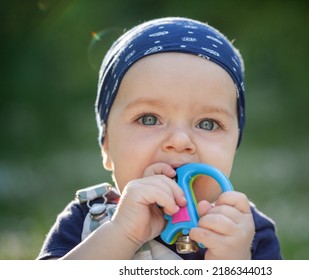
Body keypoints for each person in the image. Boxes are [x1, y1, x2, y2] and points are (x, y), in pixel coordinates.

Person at [37, 17, 282, 260]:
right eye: (148, 119)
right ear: (107, 146)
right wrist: (122, 233)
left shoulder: (247, 233)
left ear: (234, 147)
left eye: (207, 124)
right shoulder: (88, 220)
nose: (179, 141)